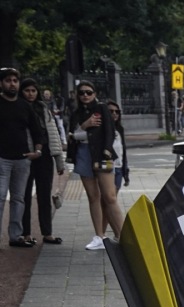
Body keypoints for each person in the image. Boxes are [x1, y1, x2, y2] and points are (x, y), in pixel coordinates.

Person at [66, 81, 124, 250]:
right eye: (82, 92)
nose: (85, 95)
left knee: (110, 196)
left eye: (89, 92)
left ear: (94, 93)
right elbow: (72, 136)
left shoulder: (101, 108)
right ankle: (99, 236)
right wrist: (85, 125)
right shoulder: (76, 113)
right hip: (83, 154)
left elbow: (109, 131)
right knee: (93, 196)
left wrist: (107, 150)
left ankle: (123, 235)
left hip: (101, 154)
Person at [0, 67, 44, 249]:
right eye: (8, 80)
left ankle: (16, 236)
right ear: (1, 83)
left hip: (22, 159)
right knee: (0, 196)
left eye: (15, 81)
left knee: (18, 198)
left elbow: (37, 130)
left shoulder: (24, 105)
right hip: (1, 159)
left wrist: (38, 151)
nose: (12, 84)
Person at [19, 77, 65, 245]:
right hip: (25, 155)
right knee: (23, 196)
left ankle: (47, 233)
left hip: (44, 156)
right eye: (27, 90)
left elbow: (53, 134)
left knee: (44, 195)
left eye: (33, 90)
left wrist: (59, 161)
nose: (30, 94)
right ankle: (26, 233)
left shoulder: (43, 108)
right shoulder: (17, 108)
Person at [106, 101, 129, 194]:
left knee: (114, 195)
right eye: (111, 111)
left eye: (117, 111)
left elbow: (123, 151)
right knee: (109, 197)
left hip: (118, 167)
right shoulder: (102, 129)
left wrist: (126, 174)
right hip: (107, 167)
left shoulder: (120, 129)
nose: (114, 114)